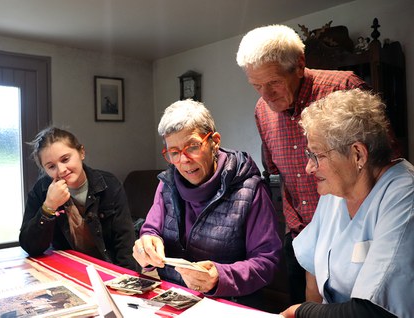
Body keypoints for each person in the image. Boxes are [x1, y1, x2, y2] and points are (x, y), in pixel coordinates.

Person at [236, 24, 370, 303]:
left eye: (273, 83)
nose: (265, 95)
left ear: (299, 65)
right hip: (300, 236)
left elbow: (382, 165)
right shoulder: (262, 110)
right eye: (256, 86)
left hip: (352, 237)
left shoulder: (344, 88)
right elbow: (277, 172)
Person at [132, 99, 282, 308]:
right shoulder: (167, 183)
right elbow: (151, 230)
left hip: (228, 304)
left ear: (215, 141)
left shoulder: (250, 189)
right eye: (174, 152)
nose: (183, 160)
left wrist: (219, 277)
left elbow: (267, 262)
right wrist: (146, 244)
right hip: (176, 299)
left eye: (192, 147)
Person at [280, 89, 413, 318]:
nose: (309, 168)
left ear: (358, 154)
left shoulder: (404, 195)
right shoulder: (335, 192)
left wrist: (300, 312)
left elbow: (374, 312)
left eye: (317, 155)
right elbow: (312, 272)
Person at [19, 127, 138, 271]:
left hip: (107, 267)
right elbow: (30, 247)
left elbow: (125, 242)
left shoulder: (109, 184)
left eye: (65, 159)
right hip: (67, 269)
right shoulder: (42, 190)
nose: (62, 169)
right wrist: (49, 206)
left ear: (81, 152)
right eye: (51, 166)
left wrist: (126, 280)